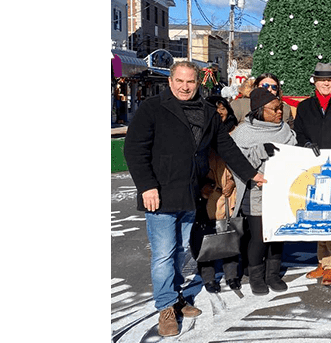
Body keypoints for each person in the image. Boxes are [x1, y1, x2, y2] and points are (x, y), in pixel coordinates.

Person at [123, 61, 265, 337]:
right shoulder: (152, 108)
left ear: (198, 83)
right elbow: (134, 149)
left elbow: (225, 146)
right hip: (160, 194)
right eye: (180, 81)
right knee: (164, 253)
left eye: (190, 82)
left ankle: (174, 296)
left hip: (190, 193)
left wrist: (251, 174)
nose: (185, 87)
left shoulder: (207, 111)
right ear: (171, 81)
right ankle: (165, 307)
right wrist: (147, 186)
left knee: (179, 251)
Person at [292, 62, 331, 286]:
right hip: (312, 166)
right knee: (317, 213)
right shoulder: (305, 107)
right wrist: (306, 143)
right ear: (315, 82)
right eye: (323, 80)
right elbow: (298, 133)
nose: (327, 83)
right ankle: (322, 261)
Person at [230, 87, 297, 295]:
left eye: (281, 108)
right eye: (275, 108)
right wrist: (259, 151)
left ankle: (273, 274)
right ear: (260, 110)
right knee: (259, 236)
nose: (280, 112)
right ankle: (256, 276)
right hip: (256, 191)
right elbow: (236, 163)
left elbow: (294, 154)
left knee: (278, 234)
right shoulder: (243, 132)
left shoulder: (285, 129)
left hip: (281, 191)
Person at [191, 96, 242, 294]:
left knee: (229, 233)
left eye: (223, 107)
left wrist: (232, 182)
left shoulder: (236, 132)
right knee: (204, 236)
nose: (220, 111)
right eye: (215, 108)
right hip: (206, 193)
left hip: (231, 193)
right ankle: (208, 277)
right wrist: (204, 184)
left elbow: (242, 161)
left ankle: (231, 274)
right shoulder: (199, 132)